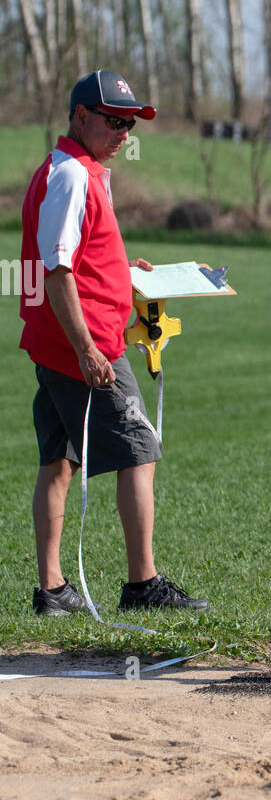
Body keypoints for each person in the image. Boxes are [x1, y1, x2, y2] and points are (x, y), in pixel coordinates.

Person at [19, 68, 209, 614]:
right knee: (140, 448)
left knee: (59, 462)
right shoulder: (73, 176)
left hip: (57, 344)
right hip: (85, 350)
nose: (124, 133)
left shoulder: (76, 169)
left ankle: (53, 591)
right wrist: (86, 348)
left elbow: (76, 257)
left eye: (130, 124)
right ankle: (142, 585)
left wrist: (123, 269)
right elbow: (57, 271)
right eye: (114, 121)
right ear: (81, 116)